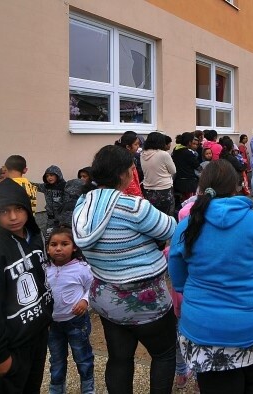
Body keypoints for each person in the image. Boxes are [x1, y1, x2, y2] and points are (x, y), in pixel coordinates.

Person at [168, 160, 253, 393]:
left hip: (203, 332)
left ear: (202, 187)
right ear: (237, 186)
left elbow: (177, 279)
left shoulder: (188, 225)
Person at [72, 145, 177, 394]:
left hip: (107, 300)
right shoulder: (134, 207)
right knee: (164, 354)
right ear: (125, 173)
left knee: (119, 358)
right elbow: (171, 229)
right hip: (146, 302)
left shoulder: (83, 205)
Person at [0, 178, 54, 393]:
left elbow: (42, 279)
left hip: (37, 335)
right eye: (4, 211)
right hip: (11, 345)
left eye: (18, 208)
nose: (13, 217)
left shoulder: (36, 237)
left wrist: (46, 316)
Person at [45, 227, 95, 394]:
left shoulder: (82, 268)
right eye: (53, 244)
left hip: (76, 322)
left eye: (64, 244)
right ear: (47, 248)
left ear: (74, 247)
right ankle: (56, 388)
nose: (58, 248)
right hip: (52, 324)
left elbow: (93, 287)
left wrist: (84, 300)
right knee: (56, 359)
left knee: (83, 357)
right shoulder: (44, 269)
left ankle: (88, 388)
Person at [141, 132, 177, 216]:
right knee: (167, 216)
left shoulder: (142, 154)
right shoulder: (163, 154)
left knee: (152, 216)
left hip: (148, 190)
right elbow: (173, 171)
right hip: (164, 190)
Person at [34, 165, 67, 233]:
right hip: (51, 219)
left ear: (58, 175)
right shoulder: (46, 187)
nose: (49, 178)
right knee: (48, 236)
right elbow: (33, 185)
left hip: (62, 220)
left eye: (51, 175)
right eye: (47, 176)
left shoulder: (65, 187)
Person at [172, 132, 201, 202]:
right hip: (188, 183)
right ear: (189, 142)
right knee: (190, 203)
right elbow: (197, 166)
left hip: (178, 181)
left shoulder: (176, 150)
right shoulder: (188, 153)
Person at [115, 131, 144, 197]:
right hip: (130, 194)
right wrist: (138, 196)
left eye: (138, 144)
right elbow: (131, 182)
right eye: (136, 144)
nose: (138, 146)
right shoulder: (124, 160)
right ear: (128, 147)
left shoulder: (130, 157)